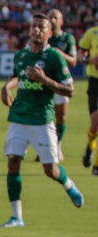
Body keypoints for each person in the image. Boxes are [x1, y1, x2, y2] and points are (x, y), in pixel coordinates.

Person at [0, 13, 83, 228]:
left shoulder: (54, 57)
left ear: (49, 32)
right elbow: (16, 75)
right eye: (34, 26)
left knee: (50, 170)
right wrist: (6, 87)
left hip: (42, 119)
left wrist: (44, 79)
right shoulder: (20, 55)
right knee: (12, 163)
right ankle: (16, 217)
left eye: (41, 27)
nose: (36, 30)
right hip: (19, 116)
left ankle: (68, 184)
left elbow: (70, 89)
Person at [41, 9, 77, 162]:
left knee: (61, 117)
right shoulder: (44, 38)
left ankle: (57, 146)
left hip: (61, 82)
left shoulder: (67, 38)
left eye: (55, 17)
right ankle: (45, 147)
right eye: (50, 17)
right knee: (44, 116)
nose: (53, 20)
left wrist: (59, 53)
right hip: (45, 83)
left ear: (61, 21)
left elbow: (74, 61)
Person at [78, 19, 98, 175]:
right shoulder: (92, 33)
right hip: (95, 82)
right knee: (95, 124)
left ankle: (97, 166)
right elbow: (81, 55)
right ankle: (91, 145)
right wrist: (89, 60)